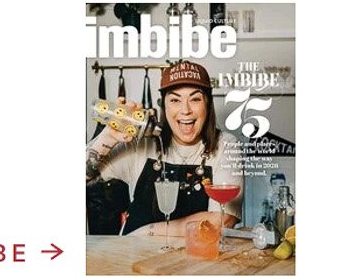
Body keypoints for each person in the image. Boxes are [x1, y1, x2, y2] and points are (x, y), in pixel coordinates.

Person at [86, 59, 240, 242]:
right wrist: (108, 137)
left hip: (192, 254)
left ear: (207, 104)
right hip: (132, 250)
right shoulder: (141, 142)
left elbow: (223, 220)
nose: (185, 110)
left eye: (195, 99)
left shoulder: (226, 145)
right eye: (175, 100)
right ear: (164, 106)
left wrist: (148, 231)